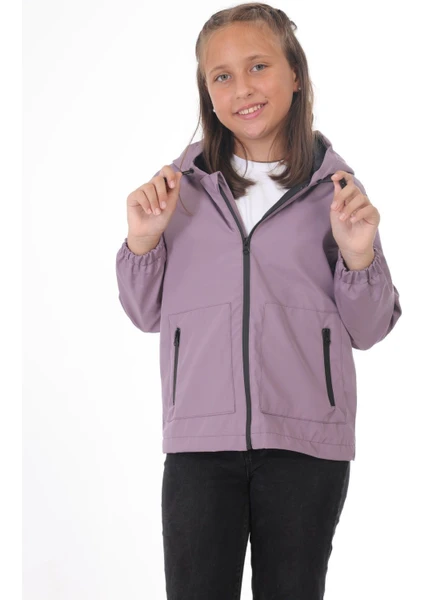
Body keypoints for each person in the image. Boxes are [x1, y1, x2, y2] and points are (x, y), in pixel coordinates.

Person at [115, 3, 402, 599]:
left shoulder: (335, 192)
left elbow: (369, 328)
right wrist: (142, 240)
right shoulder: (180, 193)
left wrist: (358, 255)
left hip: (306, 446)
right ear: (207, 91)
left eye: (258, 66)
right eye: (221, 75)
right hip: (199, 445)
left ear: (295, 73)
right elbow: (146, 314)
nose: (242, 88)